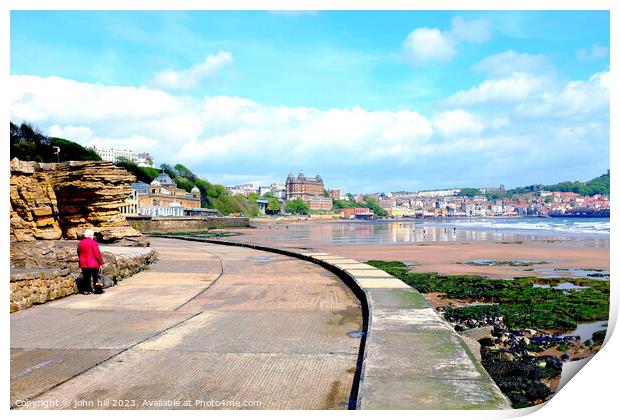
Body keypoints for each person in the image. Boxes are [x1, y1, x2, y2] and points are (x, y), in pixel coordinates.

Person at [77, 229, 104, 295]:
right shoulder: (94, 243)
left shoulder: (80, 243)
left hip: (84, 263)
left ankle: (86, 290)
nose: (93, 236)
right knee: (95, 277)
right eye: (92, 235)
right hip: (93, 263)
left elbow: (78, 252)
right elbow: (97, 254)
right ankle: (97, 290)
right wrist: (101, 262)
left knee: (86, 277)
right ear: (90, 235)